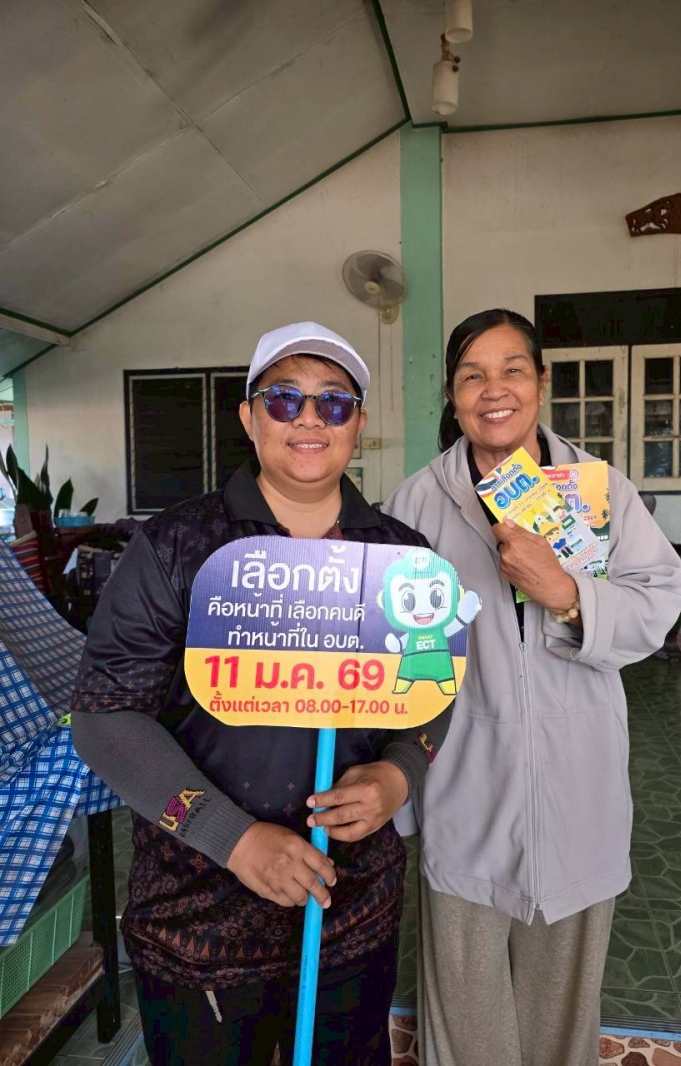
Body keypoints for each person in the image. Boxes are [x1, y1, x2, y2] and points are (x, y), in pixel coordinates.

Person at [71, 322, 452, 1066]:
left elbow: (433, 687)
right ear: (249, 418)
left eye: (334, 403)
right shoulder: (175, 547)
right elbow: (105, 719)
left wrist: (400, 770)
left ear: (358, 425)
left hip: (352, 916)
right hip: (198, 926)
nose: (309, 418)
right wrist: (233, 838)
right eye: (284, 399)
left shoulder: (404, 558)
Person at [383, 308, 681, 1066]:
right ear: (452, 395)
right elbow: (393, 656)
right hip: (463, 789)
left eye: (513, 370)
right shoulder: (416, 503)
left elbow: (660, 601)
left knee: (561, 1021)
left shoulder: (600, 491)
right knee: (464, 1020)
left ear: (542, 382)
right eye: (472, 376)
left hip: (576, 786)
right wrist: (402, 793)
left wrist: (569, 595)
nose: (495, 390)